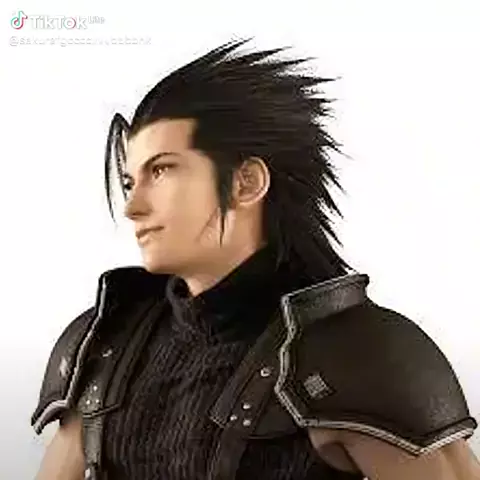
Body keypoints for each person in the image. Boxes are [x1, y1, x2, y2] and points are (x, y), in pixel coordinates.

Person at [31, 40, 479, 480]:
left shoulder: (358, 350)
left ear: (246, 183)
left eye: (162, 170)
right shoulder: (110, 344)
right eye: (131, 182)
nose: (133, 207)